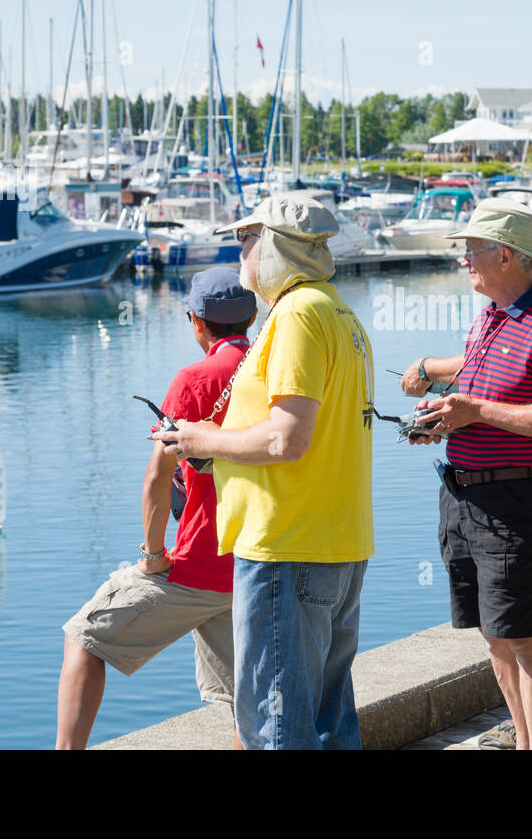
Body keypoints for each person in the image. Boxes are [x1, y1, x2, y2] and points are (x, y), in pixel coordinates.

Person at [155, 193, 375, 749]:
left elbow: (286, 437)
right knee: (327, 721)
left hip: (287, 544)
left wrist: (201, 437)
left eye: (248, 240)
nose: (241, 250)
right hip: (335, 538)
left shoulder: (298, 315)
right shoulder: (336, 310)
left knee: (274, 723)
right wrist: (219, 446)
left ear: (276, 247)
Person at [402, 199, 532, 750]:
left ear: (504, 256)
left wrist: (475, 413)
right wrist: (442, 422)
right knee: (496, 640)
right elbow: (481, 398)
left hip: (518, 502)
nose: (464, 261)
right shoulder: (489, 319)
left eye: (471, 251)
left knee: (527, 640)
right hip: (466, 500)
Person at [56, 266, 256, 749]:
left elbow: (157, 475)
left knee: (85, 634)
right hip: (256, 564)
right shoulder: (269, 368)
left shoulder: (195, 377)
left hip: (200, 566)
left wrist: (151, 553)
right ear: (250, 317)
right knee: (244, 701)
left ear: (197, 321)